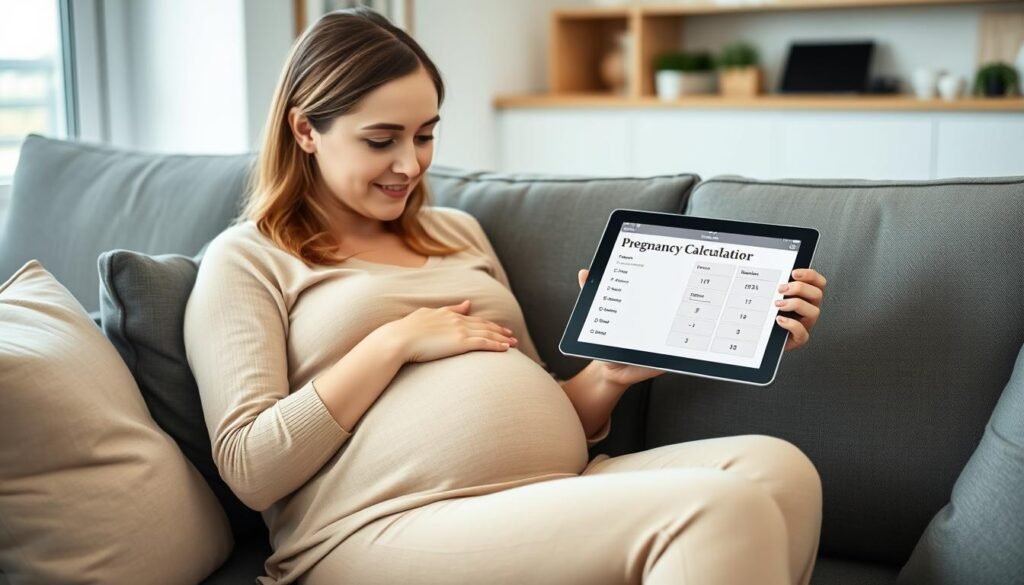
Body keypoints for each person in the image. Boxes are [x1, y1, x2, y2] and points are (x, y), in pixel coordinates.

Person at [184, 7, 828, 585]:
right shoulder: (248, 259)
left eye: (425, 134)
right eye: (381, 140)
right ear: (304, 130)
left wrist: (607, 374)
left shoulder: (458, 233)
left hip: (546, 489)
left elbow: (543, 411)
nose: (410, 164)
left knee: (781, 474)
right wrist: (396, 341)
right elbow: (250, 467)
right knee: (720, 510)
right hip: (379, 525)